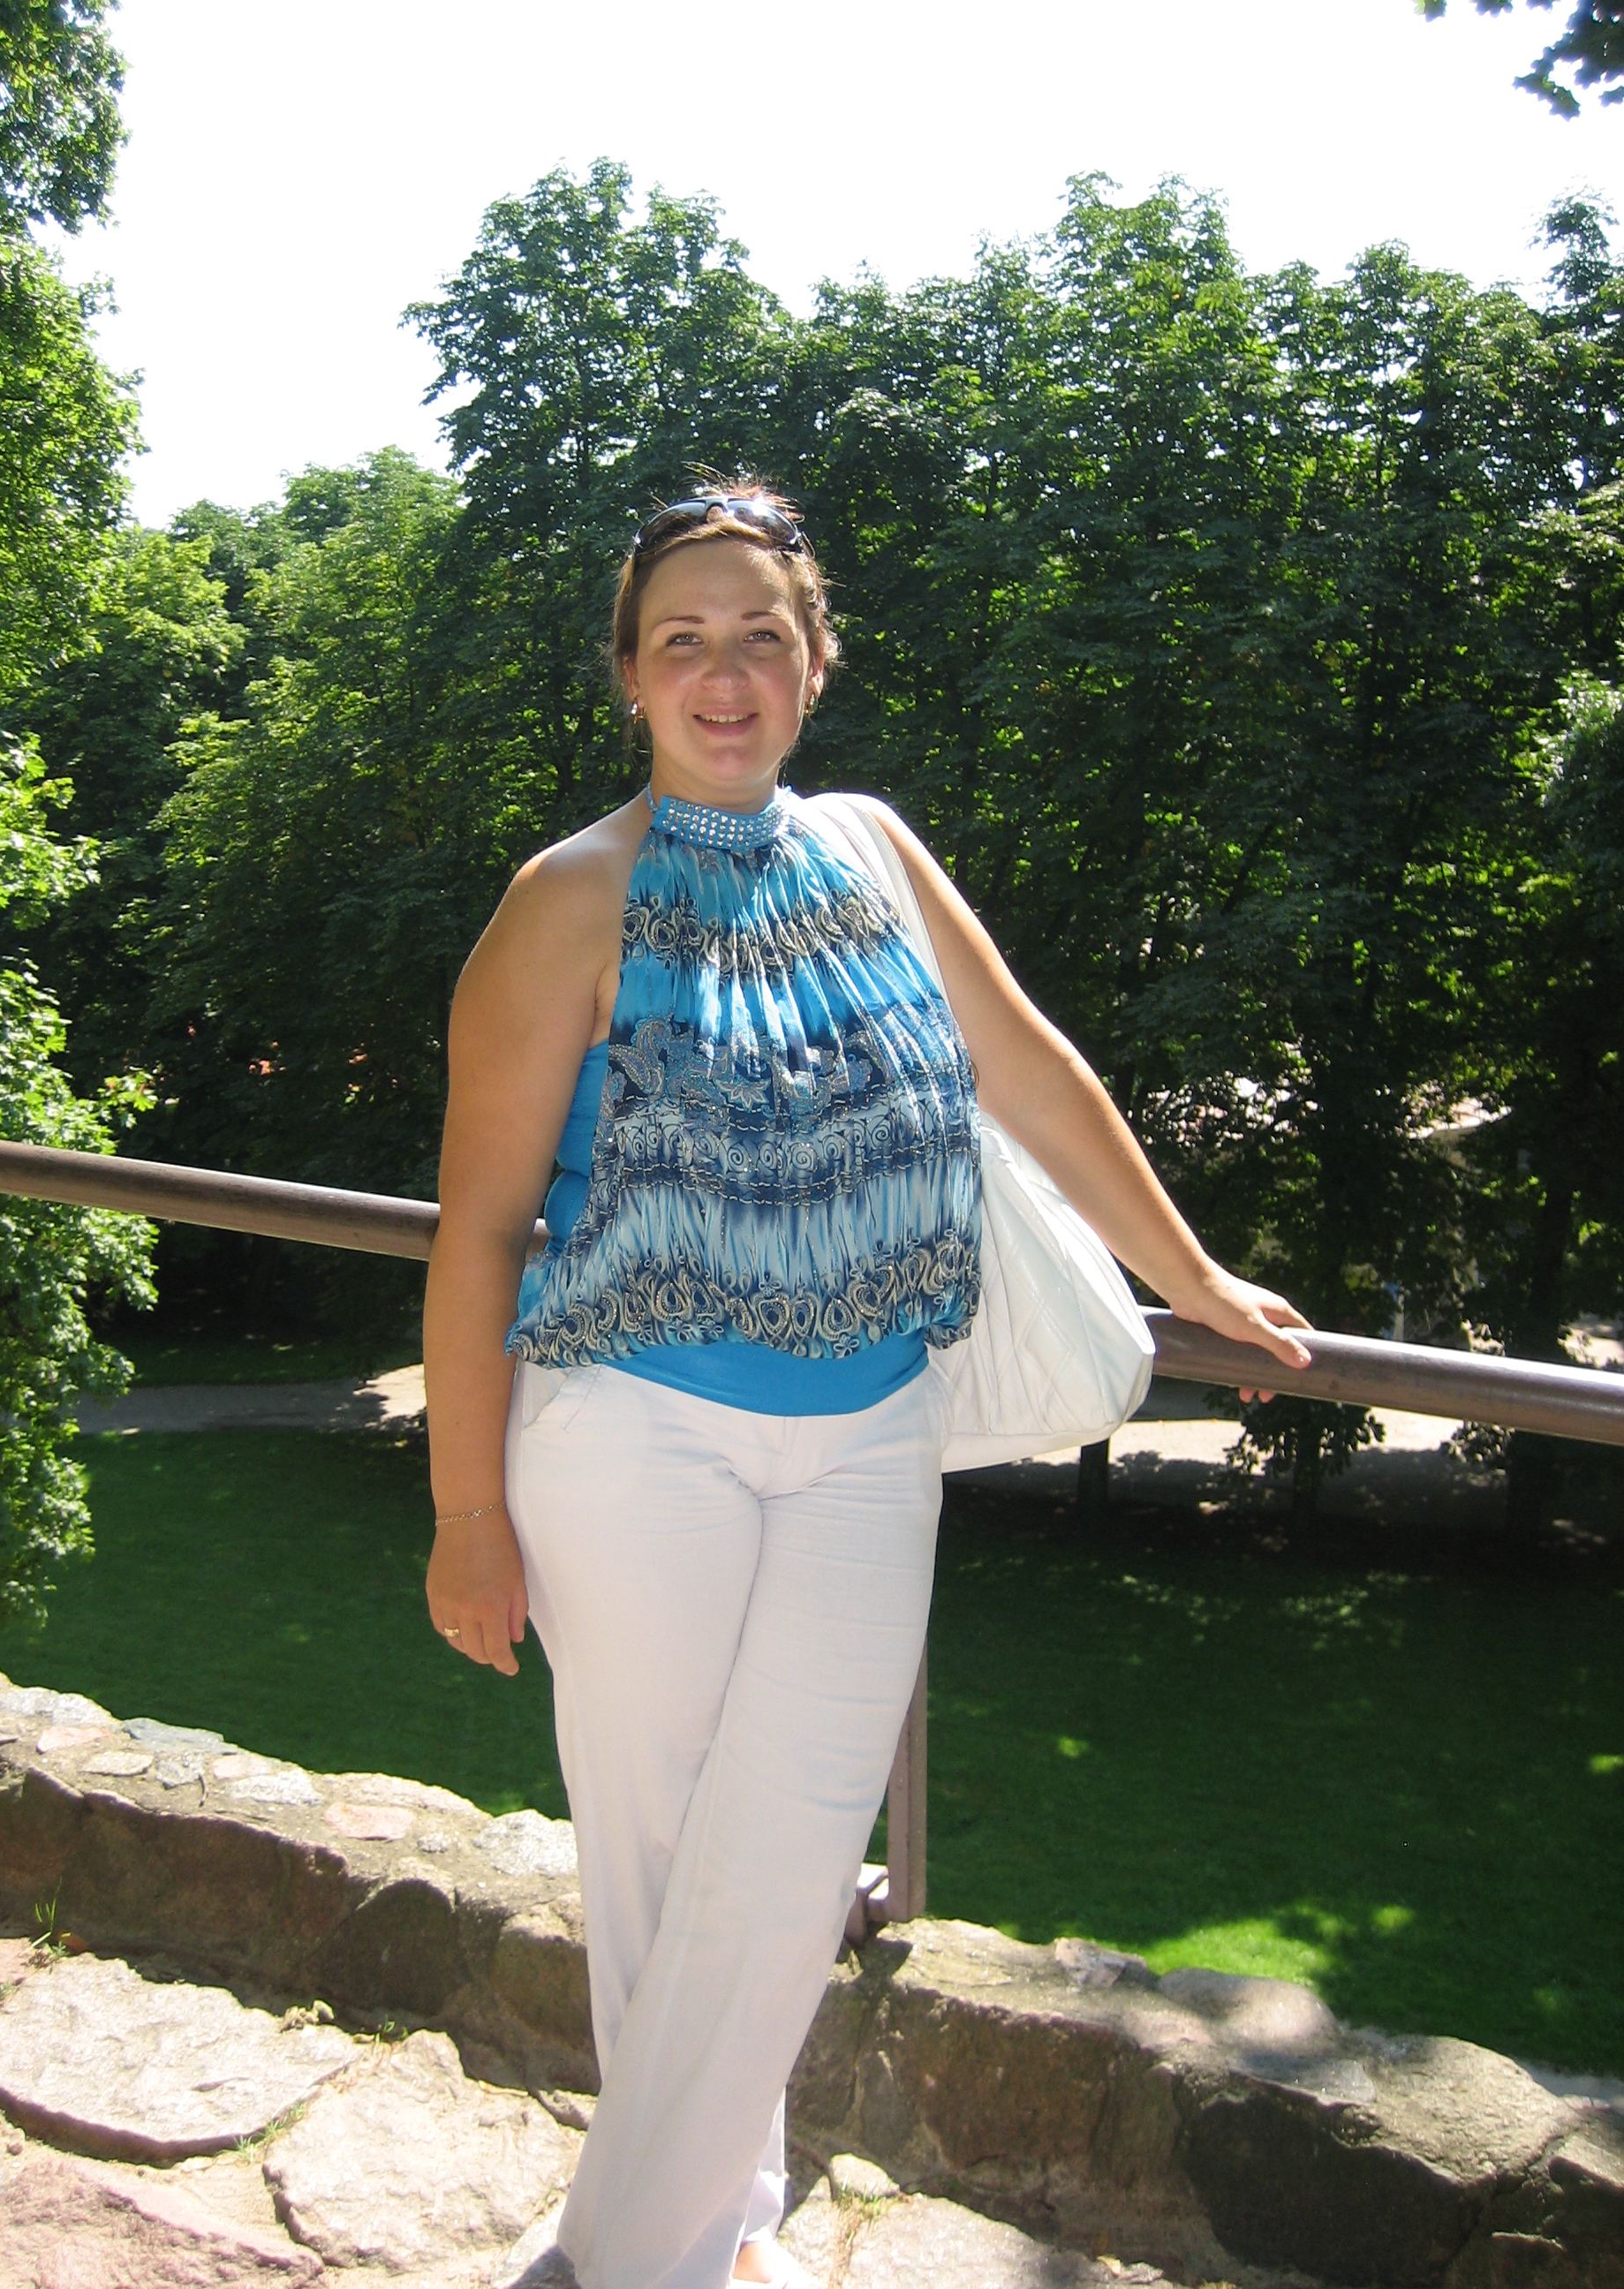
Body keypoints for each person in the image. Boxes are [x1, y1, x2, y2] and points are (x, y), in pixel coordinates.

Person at [421, 482, 1310, 2289]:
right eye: (683, 640)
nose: (724, 674)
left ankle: (630, 2253)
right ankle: (688, 2247)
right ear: (629, 676)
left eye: (762, 636)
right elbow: (482, 1229)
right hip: (632, 1440)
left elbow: (1032, 1071)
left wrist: (1193, 1274)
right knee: (669, 1874)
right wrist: (465, 1514)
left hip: (870, 1437)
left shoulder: (877, 853)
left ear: (816, 664)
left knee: (783, 1868)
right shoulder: (569, 901)